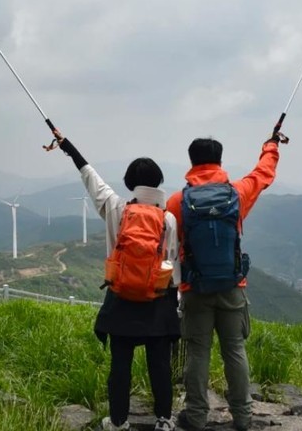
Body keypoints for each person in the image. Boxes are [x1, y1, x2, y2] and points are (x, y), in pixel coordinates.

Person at [56, 132, 181, 431]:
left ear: (130, 183)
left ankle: (118, 422)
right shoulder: (168, 220)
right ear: (158, 183)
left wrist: (67, 146)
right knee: (160, 365)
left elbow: (91, 177)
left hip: (122, 298)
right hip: (158, 300)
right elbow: (171, 260)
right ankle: (163, 420)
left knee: (120, 366)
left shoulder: (116, 208)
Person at [165, 134, 280, 431]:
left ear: (191, 162)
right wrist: (271, 146)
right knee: (234, 350)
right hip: (231, 288)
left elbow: (169, 244)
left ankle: (196, 416)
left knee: (197, 352)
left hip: (194, 289)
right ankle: (243, 417)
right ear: (219, 160)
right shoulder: (236, 194)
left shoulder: (178, 201)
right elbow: (263, 174)